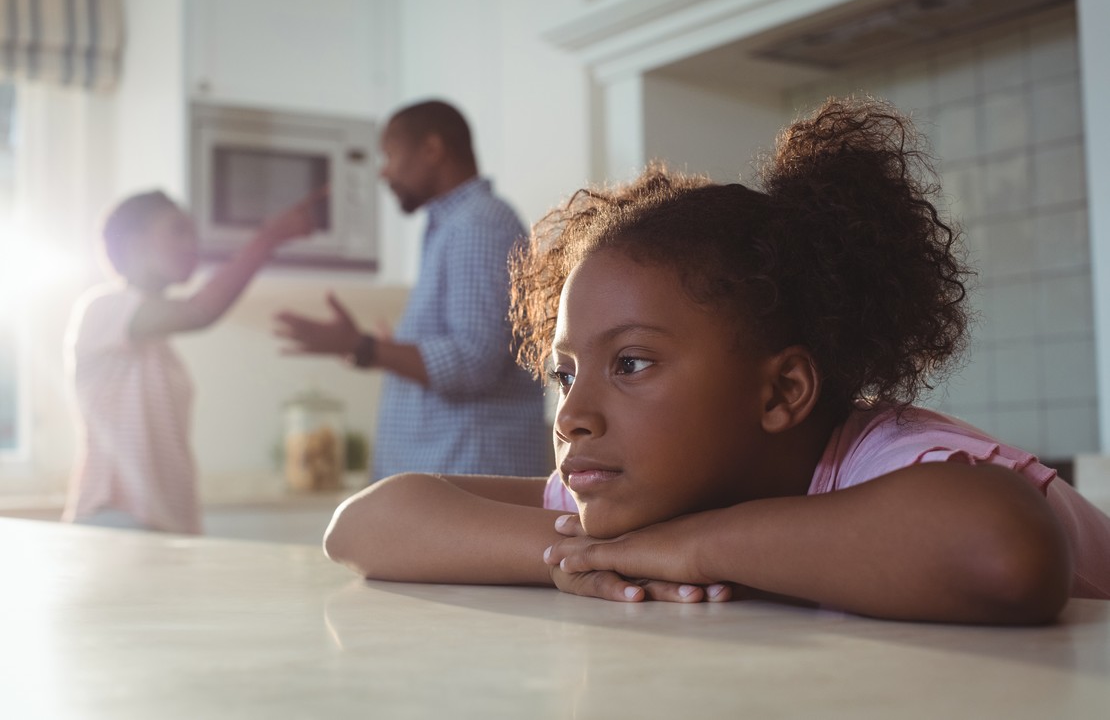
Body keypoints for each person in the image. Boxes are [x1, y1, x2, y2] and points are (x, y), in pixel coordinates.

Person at [320, 97, 1110, 625]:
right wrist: (575, 558)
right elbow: (365, 525)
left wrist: (690, 547)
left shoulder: (889, 463)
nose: (571, 414)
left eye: (630, 364)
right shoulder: (651, 492)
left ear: (782, 390)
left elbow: (1004, 551)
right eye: (567, 373)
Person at [274, 100, 549, 480]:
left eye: (389, 154)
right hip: (450, 481)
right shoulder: (453, 225)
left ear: (432, 150)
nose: (383, 172)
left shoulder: (477, 224)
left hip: (468, 481)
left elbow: (474, 362)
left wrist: (364, 346)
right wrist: (382, 348)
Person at [62, 188, 321, 534]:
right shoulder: (102, 309)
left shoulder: (159, 350)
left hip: (161, 526)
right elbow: (200, 311)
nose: (193, 244)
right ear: (133, 243)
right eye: (177, 230)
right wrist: (268, 239)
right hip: (114, 516)